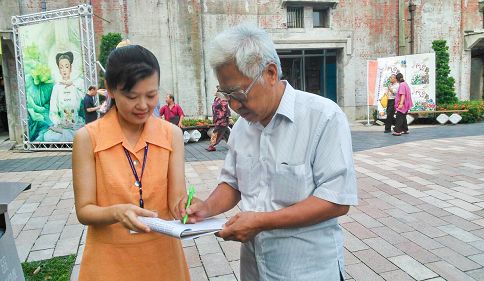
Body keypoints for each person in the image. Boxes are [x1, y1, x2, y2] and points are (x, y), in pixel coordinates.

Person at [178, 24, 358, 281]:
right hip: (255, 269)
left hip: (308, 271)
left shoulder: (323, 117)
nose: (234, 105)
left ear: (270, 73)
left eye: (239, 93)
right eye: (225, 94)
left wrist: (261, 221)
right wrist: (205, 208)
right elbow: (232, 183)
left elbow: (336, 200)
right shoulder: (242, 127)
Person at [72, 45, 190, 281]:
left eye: (151, 95)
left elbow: (176, 200)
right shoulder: (88, 138)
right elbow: (84, 210)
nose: (143, 105)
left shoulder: (171, 135)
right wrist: (117, 212)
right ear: (111, 90)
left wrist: (188, 208)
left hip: (163, 258)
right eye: (132, 96)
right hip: (109, 262)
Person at [44, 51, 85, 141]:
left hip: (76, 123)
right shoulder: (56, 87)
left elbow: (86, 92)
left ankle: (69, 135)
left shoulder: (77, 84)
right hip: (62, 124)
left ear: (70, 68)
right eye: (61, 67)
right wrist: (59, 122)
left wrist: (72, 83)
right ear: (59, 69)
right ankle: (66, 134)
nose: (64, 70)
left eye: (67, 66)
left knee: (83, 133)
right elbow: (53, 111)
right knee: (48, 137)